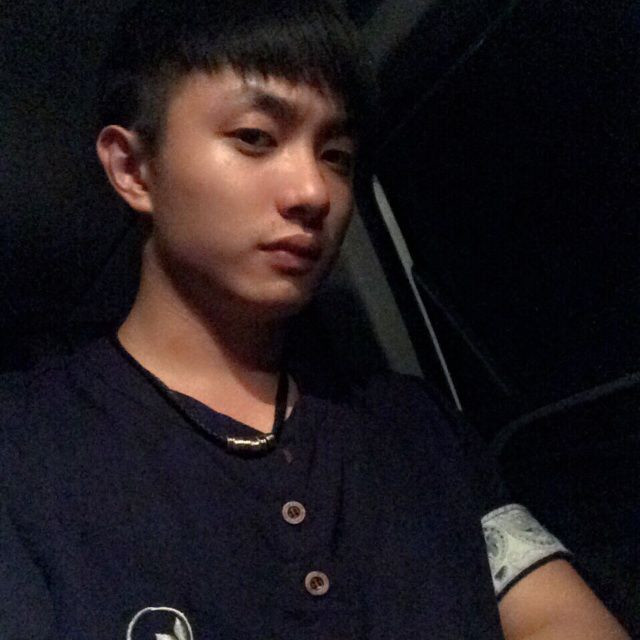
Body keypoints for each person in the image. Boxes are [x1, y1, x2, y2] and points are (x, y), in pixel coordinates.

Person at [0, 1, 629, 638]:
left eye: (336, 155)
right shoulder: (25, 447)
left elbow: (557, 615)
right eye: (255, 137)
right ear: (133, 169)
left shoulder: (413, 425)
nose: (313, 191)